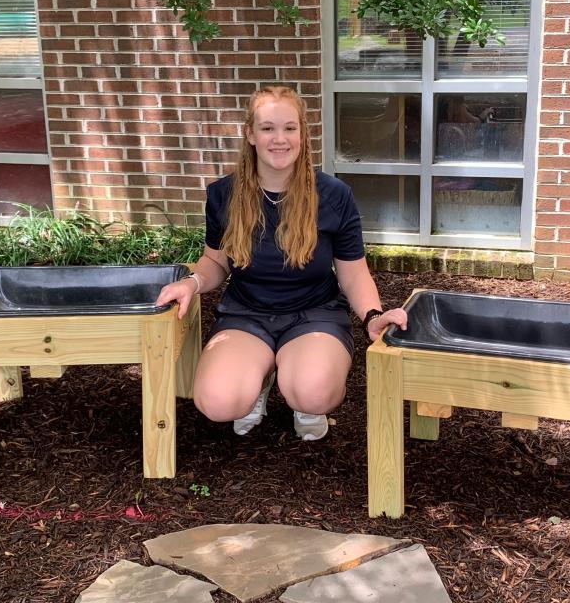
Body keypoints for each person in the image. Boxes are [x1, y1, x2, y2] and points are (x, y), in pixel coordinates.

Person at [155, 85, 408, 441]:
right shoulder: (223, 195)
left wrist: (371, 315)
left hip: (314, 312)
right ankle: (258, 378)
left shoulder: (334, 196)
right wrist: (192, 282)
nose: (280, 138)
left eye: (290, 128)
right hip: (247, 313)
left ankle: (300, 393)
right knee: (218, 401)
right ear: (251, 135)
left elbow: (352, 272)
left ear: (303, 134)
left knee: (313, 391)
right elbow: (217, 260)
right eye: (268, 128)